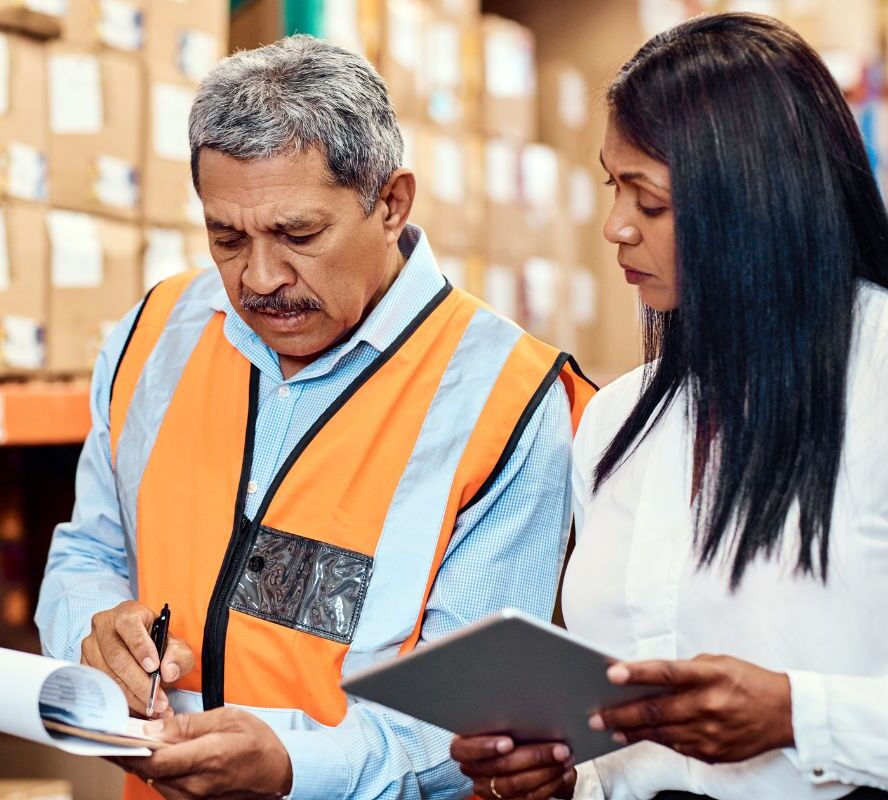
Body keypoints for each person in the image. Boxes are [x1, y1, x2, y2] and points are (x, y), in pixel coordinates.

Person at [35, 35, 595, 800]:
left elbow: (472, 727)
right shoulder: (156, 333)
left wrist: (291, 769)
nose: (259, 278)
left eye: (299, 236)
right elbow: (88, 551)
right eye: (226, 238)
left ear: (392, 203)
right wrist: (93, 633)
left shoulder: (510, 398)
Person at [451, 13, 888, 800]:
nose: (615, 227)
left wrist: (800, 716)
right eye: (612, 187)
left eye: (647, 201)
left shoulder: (876, 379)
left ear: (753, 198)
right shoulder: (619, 421)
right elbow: (616, 745)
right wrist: (554, 778)